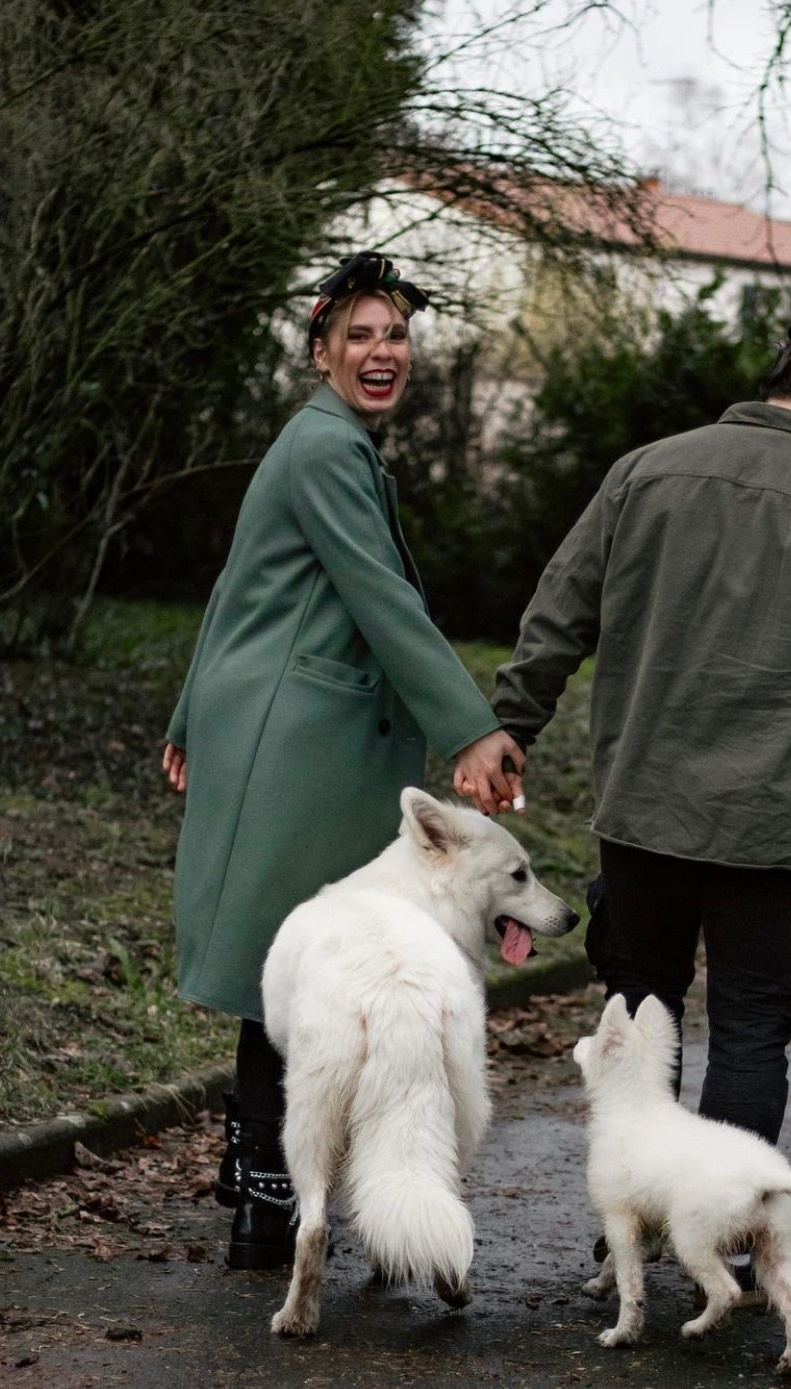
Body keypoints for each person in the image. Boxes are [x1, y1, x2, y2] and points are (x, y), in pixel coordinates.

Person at [455, 308, 791, 1285]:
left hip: (647, 814)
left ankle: (630, 1231)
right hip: (782, 831)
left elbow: (560, 608)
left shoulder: (646, 472)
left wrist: (514, 727)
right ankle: (715, 1237)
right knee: (752, 1033)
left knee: (639, 1020)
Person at [162, 252, 523, 1270]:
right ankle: (269, 1212)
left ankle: (264, 1198)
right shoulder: (326, 446)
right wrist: (470, 728)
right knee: (299, 968)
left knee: (289, 966)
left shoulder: (331, 444)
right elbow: (379, 599)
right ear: (321, 349)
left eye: (396, 335)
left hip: (290, 726)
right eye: (360, 335)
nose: (382, 352)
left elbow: (237, 585)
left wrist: (192, 711)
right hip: (298, 741)